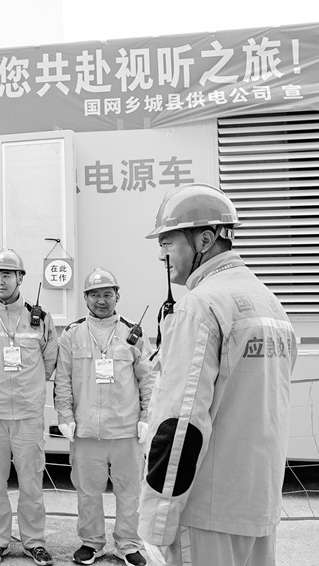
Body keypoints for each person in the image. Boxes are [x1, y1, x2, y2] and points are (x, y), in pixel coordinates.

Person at [139, 183, 297, 566]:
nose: (161, 254)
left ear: (205, 239)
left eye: (167, 242)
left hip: (207, 512)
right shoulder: (270, 303)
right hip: (259, 506)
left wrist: (157, 524)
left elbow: (180, 426)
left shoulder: (200, 306)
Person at [54, 268, 154, 566]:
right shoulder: (72, 334)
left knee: (129, 492)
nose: (101, 300)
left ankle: (128, 544)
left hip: (126, 430)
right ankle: (91, 542)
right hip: (86, 430)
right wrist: (64, 415)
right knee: (88, 492)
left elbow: (147, 379)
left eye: (107, 294)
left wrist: (147, 415)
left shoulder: (132, 334)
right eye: (95, 295)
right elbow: (63, 379)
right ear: (85, 298)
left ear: (117, 296)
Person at [0, 249, 58, 566]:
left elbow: (50, 362)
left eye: (6, 275)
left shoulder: (41, 319)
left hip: (27, 414)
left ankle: (34, 542)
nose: (0, 281)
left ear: (20, 278)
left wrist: (28, 388)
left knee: (31, 483)